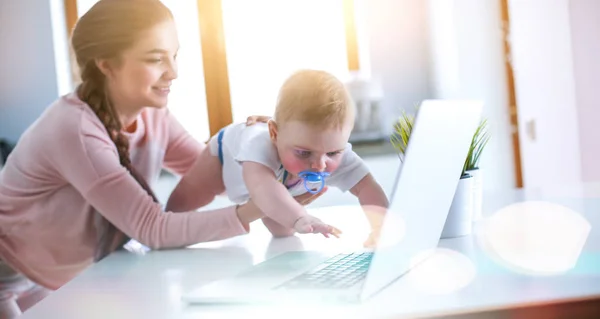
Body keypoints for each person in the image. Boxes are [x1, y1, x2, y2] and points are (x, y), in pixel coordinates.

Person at [0, 0, 324, 312]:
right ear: (107, 65)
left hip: (68, 277)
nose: (173, 72)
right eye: (156, 59)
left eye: (174, 56)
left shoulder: (154, 117)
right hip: (9, 283)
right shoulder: (75, 131)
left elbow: (217, 173)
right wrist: (257, 207)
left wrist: (269, 160)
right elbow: (152, 229)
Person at [167, 69, 389, 239]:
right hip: (224, 158)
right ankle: (166, 227)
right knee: (189, 197)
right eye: (304, 153)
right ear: (274, 133)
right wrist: (303, 217)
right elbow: (264, 190)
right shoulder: (258, 145)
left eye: (332, 153)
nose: (319, 165)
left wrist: (381, 228)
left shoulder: (331, 154)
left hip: (277, 188)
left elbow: (367, 186)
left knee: (283, 231)